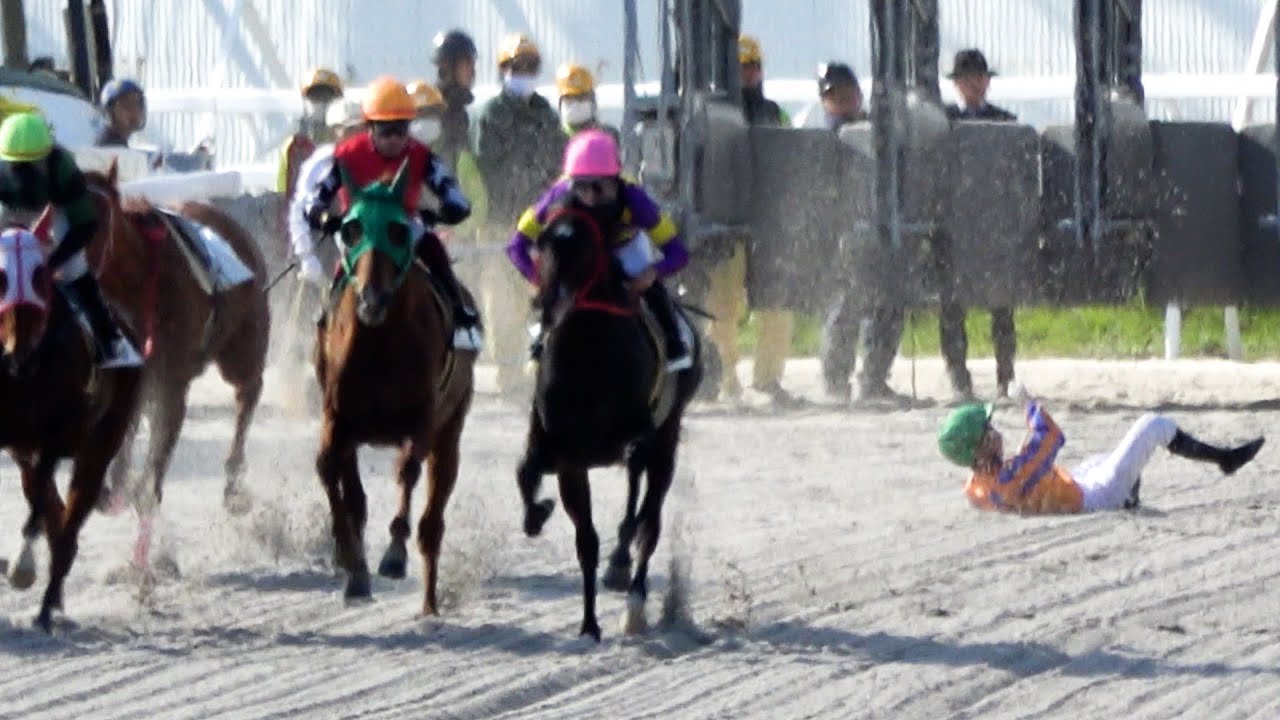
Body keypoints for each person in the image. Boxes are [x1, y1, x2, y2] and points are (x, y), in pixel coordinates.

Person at [303, 77, 481, 350]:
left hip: (403, 226)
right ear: (370, 127)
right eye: (386, 131)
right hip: (358, 229)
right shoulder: (346, 155)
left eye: (401, 130)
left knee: (433, 247)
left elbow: (456, 197)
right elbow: (314, 199)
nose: (395, 139)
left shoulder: (421, 155)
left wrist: (446, 211)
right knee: (346, 262)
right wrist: (324, 217)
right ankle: (328, 313)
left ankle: (457, 310)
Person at [506, 129, 691, 372]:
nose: (591, 196)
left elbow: (678, 253)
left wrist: (652, 274)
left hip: (623, 248)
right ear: (570, 183)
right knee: (557, 284)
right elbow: (515, 247)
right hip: (581, 250)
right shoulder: (555, 198)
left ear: (616, 181)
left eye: (600, 187)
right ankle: (541, 337)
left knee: (649, 286)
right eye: (581, 187)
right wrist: (540, 278)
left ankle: (673, 341)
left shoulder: (636, 201)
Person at [937, 386, 1265, 514]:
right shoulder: (1011, 475)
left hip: (1074, 484)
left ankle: (1130, 496)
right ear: (978, 448)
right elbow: (1050, 436)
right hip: (1094, 497)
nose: (996, 433)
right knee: (1153, 425)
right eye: (988, 431)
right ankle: (1225, 459)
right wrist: (1028, 402)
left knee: (1102, 460)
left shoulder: (976, 487)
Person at [0, 112, 141, 367]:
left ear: (47, 155)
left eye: (30, 164)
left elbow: (85, 224)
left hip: (56, 206)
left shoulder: (62, 167)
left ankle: (108, 339)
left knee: (72, 268)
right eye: (15, 165)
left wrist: (52, 263)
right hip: (7, 209)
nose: (22, 172)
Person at [702, 34, 798, 404]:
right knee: (722, 307)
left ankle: (768, 379)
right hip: (727, 225)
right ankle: (726, 380)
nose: (749, 74)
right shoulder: (711, 115)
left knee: (777, 304)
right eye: (742, 67)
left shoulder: (775, 113)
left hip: (768, 224)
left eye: (754, 67)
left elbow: (789, 159)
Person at [806, 62, 906, 404]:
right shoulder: (825, 138)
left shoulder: (875, 132)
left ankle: (874, 378)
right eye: (836, 95)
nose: (844, 101)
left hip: (879, 230)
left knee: (890, 304)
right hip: (842, 236)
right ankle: (836, 383)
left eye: (849, 94)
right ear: (824, 100)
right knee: (845, 307)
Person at [475, 33, 566, 394]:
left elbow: (557, 162)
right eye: (517, 67)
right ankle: (508, 375)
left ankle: (540, 367)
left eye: (530, 67)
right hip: (501, 222)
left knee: (541, 294)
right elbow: (486, 169)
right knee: (501, 303)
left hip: (541, 222)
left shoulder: (546, 113)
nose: (524, 72)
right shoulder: (490, 115)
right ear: (503, 70)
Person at [938, 48, 1018, 401]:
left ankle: (1006, 375)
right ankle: (958, 376)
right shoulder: (943, 124)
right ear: (957, 84)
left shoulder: (1006, 122)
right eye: (967, 78)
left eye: (979, 77)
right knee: (952, 304)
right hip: (955, 225)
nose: (974, 84)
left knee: (1002, 304)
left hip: (995, 223)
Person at [288, 98, 366, 289]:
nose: (355, 134)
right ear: (335, 130)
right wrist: (306, 255)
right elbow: (299, 209)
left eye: (360, 128)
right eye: (349, 130)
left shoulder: (371, 157)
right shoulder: (320, 161)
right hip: (318, 243)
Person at [276, 67, 344, 197]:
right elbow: (283, 190)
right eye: (315, 97)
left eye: (327, 97)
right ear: (305, 101)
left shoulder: (347, 140)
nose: (321, 103)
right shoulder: (292, 145)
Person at [555, 62, 620, 144]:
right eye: (569, 99)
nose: (575, 104)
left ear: (592, 101)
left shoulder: (608, 136)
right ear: (560, 102)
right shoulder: (552, 138)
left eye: (580, 98)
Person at [94, 78, 146, 148]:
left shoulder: (120, 143)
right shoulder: (110, 147)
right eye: (128, 104)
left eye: (139, 104)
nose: (135, 110)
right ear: (110, 111)